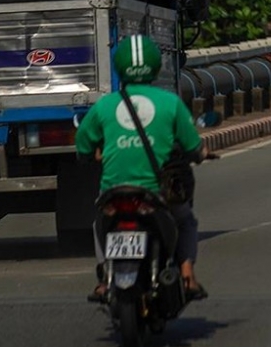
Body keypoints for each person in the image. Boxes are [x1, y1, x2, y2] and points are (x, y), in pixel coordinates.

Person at [75, 34, 206, 302]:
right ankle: (187, 274)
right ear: (157, 67)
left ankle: (104, 279)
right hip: (157, 194)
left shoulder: (105, 105)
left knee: (99, 222)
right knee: (186, 220)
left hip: (114, 192)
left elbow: (83, 148)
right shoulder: (170, 103)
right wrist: (201, 153)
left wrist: (95, 154)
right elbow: (193, 147)